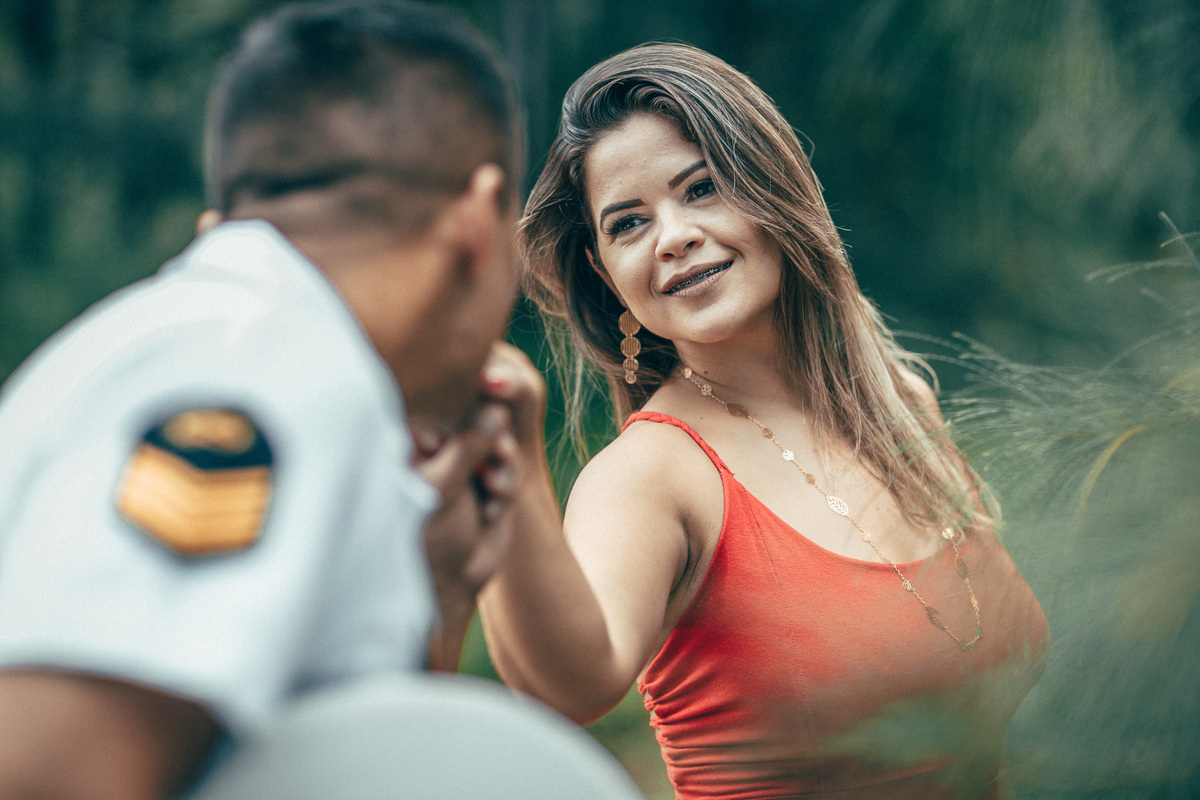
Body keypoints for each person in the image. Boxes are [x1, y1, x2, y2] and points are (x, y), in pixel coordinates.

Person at [479, 43, 1051, 799]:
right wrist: (504, 467)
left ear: (772, 184)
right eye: (627, 224)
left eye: (704, 187)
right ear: (602, 270)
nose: (672, 235)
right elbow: (566, 689)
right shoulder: (650, 479)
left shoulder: (904, 405)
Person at [0, 3, 542, 798]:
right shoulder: (261, 365)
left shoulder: (237, 338)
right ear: (477, 220)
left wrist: (437, 589)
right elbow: (55, 773)